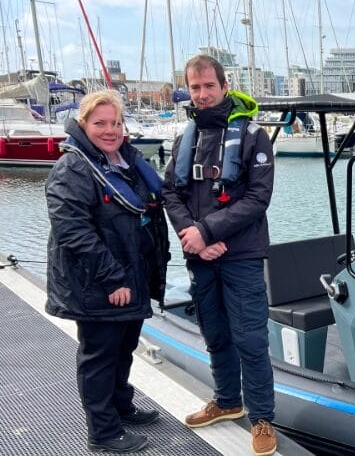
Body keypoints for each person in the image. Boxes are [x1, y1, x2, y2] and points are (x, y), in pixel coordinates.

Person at [162, 54, 276, 456]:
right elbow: (170, 193)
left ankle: (262, 418)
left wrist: (208, 230)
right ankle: (227, 401)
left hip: (241, 253)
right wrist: (193, 236)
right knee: (215, 333)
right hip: (200, 254)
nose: (203, 94)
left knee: (250, 337)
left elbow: (259, 198)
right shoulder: (183, 140)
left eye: (209, 86)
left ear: (225, 86)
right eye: (195, 88)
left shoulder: (253, 137)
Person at [45, 90, 170, 453]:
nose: (110, 130)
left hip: (133, 276)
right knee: (99, 354)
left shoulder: (123, 162)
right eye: (100, 123)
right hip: (100, 283)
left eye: (116, 123)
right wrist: (112, 277)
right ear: (83, 124)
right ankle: (102, 432)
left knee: (124, 347)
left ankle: (120, 405)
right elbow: (73, 231)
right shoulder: (73, 168)